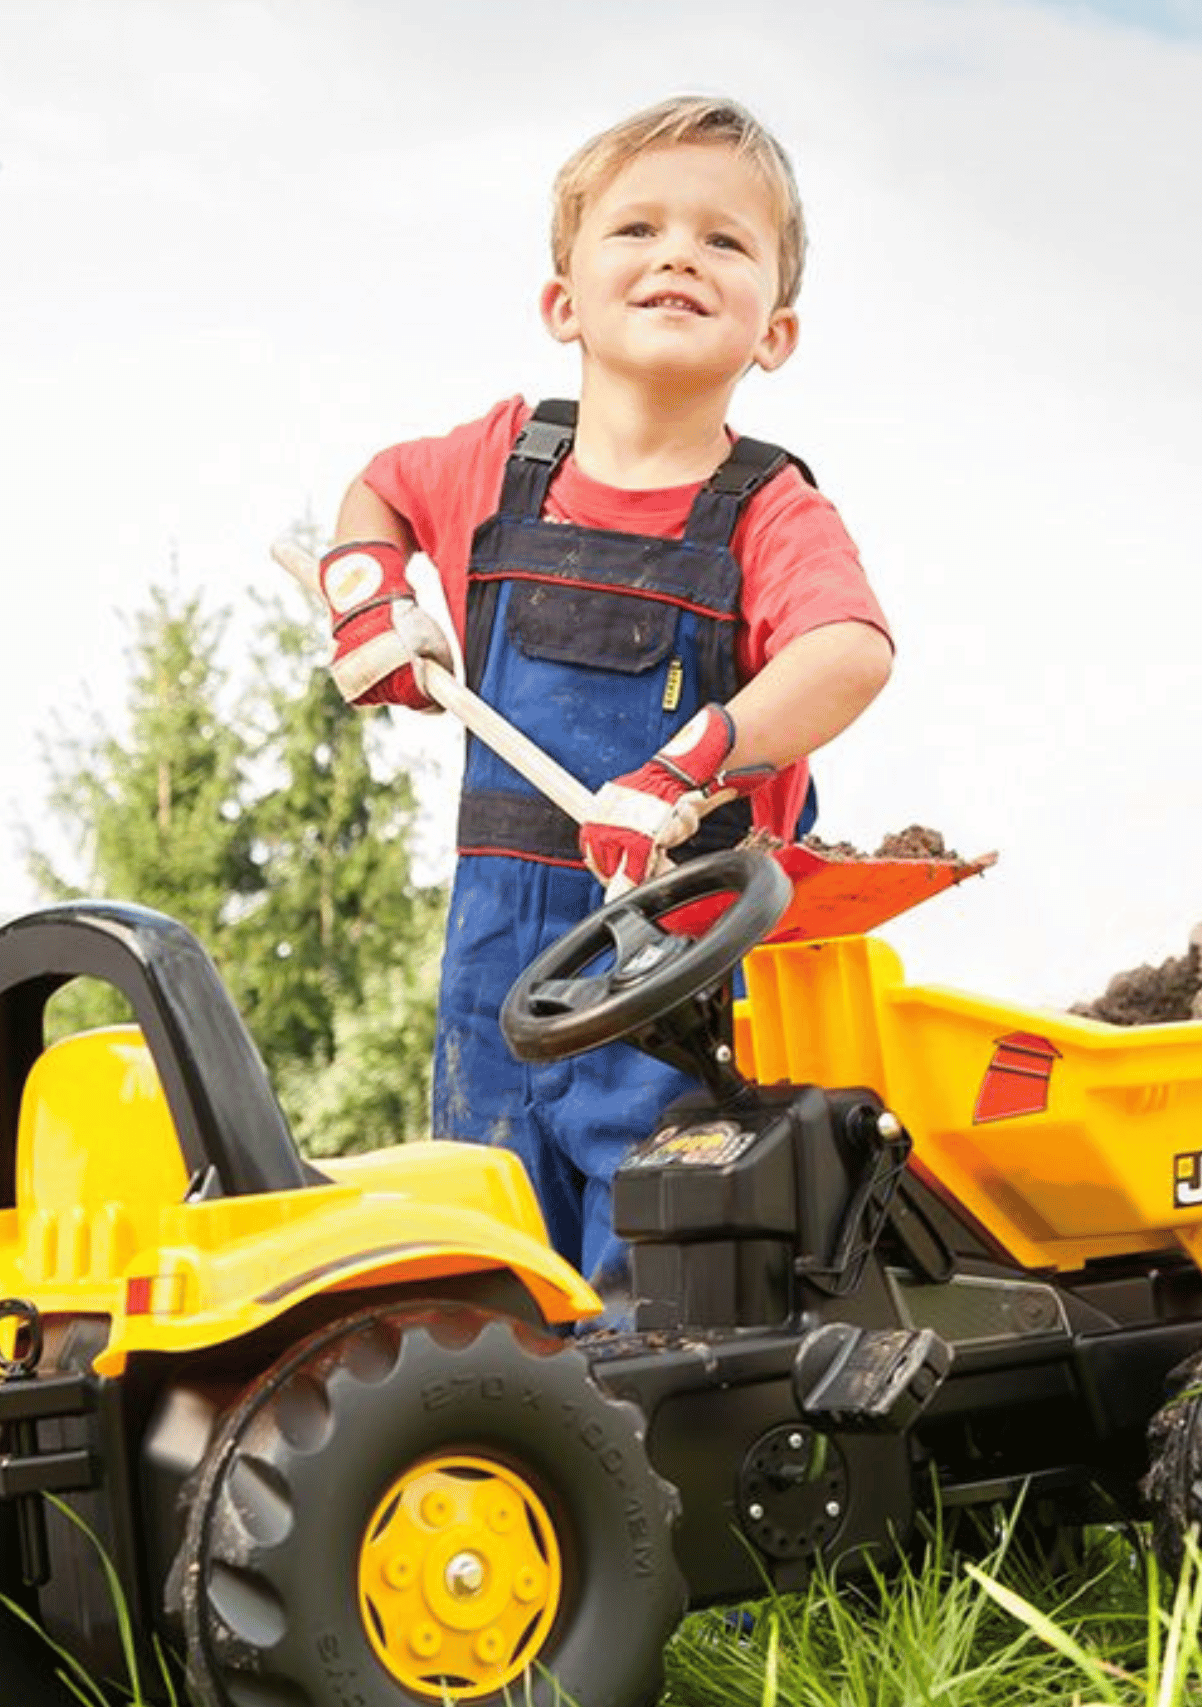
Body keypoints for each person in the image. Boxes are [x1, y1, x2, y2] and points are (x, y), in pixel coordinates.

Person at [318, 94, 892, 1320]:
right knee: (484, 1282)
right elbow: (377, 490)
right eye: (637, 227)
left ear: (775, 331)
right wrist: (366, 596)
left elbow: (846, 650)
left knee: (661, 1300)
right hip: (493, 993)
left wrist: (694, 760)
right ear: (562, 303)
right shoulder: (495, 465)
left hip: (676, 996)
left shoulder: (767, 513)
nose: (679, 252)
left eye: (724, 242)